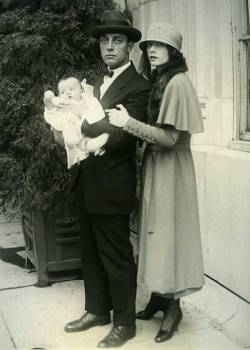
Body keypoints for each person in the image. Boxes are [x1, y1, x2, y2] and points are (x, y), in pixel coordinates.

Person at [52, 10, 150, 348]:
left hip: (112, 184)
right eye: (105, 41)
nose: (109, 46)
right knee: (90, 251)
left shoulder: (138, 87)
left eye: (117, 41)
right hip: (86, 177)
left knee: (116, 253)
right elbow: (86, 121)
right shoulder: (95, 83)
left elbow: (120, 136)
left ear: (129, 46)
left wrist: (79, 124)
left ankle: (125, 322)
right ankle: (96, 309)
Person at [108, 22, 205, 343]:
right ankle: (160, 297)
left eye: (159, 46)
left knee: (171, 234)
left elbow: (168, 138)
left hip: (172, 169)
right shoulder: (158, 80)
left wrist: (128, 122)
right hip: (157, 166)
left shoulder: (177, 83)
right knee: (155, 231)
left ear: (173, 51)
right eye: (149, 45)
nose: (151, 50)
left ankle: (174, 306)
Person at [44, 77, 108, 169]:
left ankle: (91, 145)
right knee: (68, 129)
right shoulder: (62, 104)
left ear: (81, 89)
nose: (67, 93)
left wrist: (82, 112)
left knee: (84, 134)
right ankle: (87, 145)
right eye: (63, 92)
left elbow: (98, 113)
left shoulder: (89, 99)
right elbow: (51, 113)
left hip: (87, 129)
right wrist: (49, 99)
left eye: (72, 89)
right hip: (70, 135)